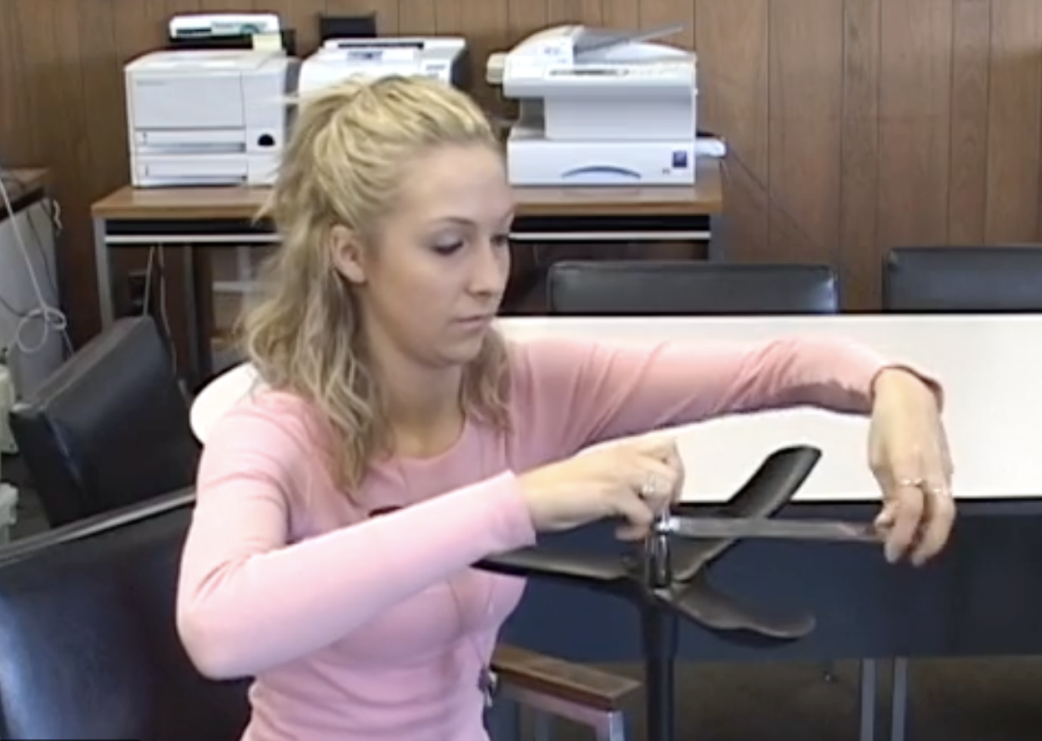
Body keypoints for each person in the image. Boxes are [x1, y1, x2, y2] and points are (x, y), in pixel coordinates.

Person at [177, 75, 954, 741]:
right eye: (449, 246)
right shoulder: (272, 431)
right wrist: (521, 501)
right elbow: (217, 628)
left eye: (500, 239)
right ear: (351, 253)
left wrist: (896, 388)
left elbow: (777, 366)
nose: (488, 278)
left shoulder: (525, 383)